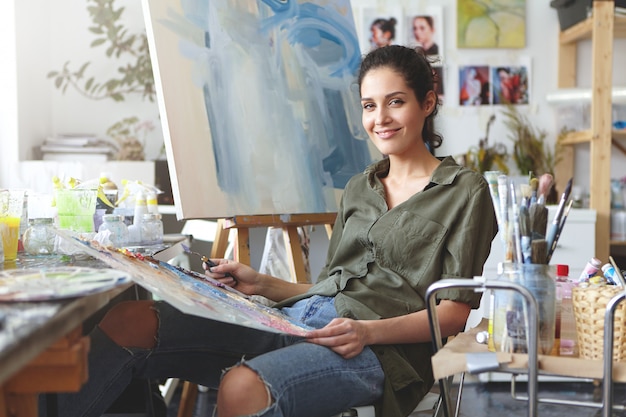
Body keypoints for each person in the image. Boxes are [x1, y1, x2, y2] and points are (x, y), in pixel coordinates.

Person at [55, 45, 498, 417]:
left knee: (241, 388)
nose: (380, 117)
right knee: (129, 320)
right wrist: (261, 284)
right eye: (368, 105)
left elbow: (452, 316)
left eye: (395, 101)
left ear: (427, 102)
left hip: (380, 352)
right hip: (302, 319)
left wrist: (367, 332)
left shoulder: (465, 191)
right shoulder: (358, 188)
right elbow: (331, 289)